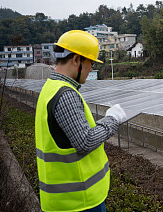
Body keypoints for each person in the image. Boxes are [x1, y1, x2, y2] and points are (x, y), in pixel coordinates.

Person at [35, 30, 127, 212]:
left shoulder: (50, 87)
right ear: (76, 60)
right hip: (80, 202)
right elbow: (85, 141)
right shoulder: (66, 94)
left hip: (64, 201)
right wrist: (112, 119)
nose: (92, 68)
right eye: (90, 62)